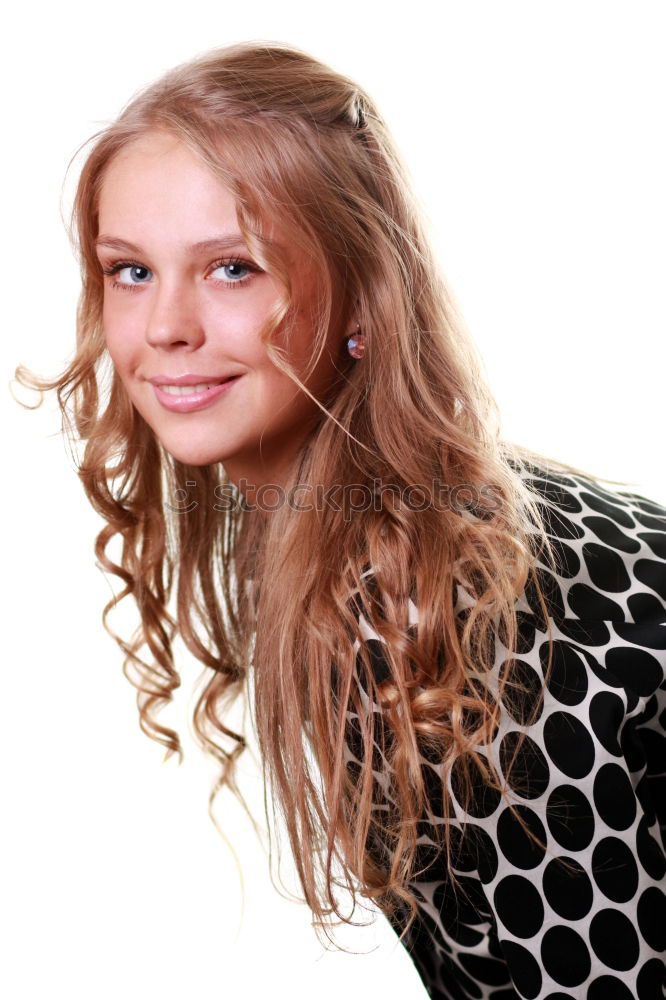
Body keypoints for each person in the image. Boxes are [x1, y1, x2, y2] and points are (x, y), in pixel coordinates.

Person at [17, 41, 665, 1000]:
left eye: (234, 268)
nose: (164, 328)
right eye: (129, 271)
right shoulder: (353, 536)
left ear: (362, 293)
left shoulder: (431, 603)